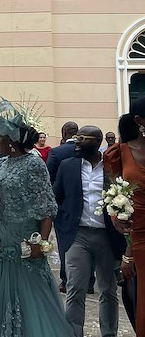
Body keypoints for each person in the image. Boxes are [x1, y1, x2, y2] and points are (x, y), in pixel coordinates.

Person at [0, 100, 74, 337]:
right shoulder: (1, 162)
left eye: (0, 136)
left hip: (27, 240)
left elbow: (46, 207)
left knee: (32, 292)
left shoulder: (34, 164)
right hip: (4, 239)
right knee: (4, 289)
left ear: (10, 141)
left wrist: (41, 243)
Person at [54, 125, 125, 337]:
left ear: (96, 142)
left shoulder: (111, 167)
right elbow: (56, 197)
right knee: (75, 289)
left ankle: (109, 333)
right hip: (78, 236)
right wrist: (63, 223)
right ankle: (74, 333)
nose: (76, 142)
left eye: (82, 139)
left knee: (108, 290)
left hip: (107, 235)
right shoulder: (67, 166)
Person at [104, 96, 145, 336]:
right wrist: (115, 219)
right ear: (139, 121)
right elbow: (115, 195)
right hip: (137, 239)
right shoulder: (119, 153)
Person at [47, 120, 79, 293]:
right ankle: (88, 281)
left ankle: (66, 279)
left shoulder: (57, 153)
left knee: (65, 243)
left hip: (62, 204)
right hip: (82, 203)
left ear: (64, 133)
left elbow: (49, 179)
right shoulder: (86, 150)